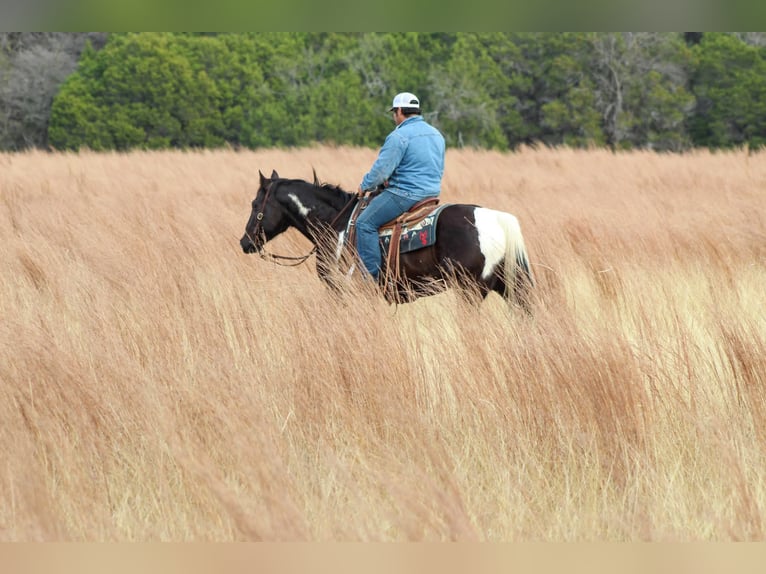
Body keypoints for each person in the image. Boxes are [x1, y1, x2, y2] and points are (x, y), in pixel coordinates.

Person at [355, 92, 446, 282]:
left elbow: (380, 172)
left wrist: (365, 186)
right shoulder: (436, 134)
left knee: (364, 223)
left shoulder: (399, 136)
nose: (394, 116)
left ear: (399, 111)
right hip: (431, 195)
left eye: (394, 112)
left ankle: (371, 280)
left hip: (405, 195)